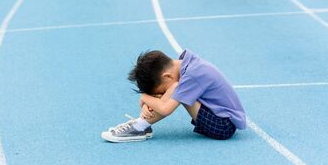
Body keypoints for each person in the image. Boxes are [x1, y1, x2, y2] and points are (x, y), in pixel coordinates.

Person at [101, 49, 246, 142]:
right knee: (175, 88)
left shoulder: (191, 75)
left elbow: (165, 109)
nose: (161, 94)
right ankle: (141, 124)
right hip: (218, 117)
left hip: (224, 126)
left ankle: (140, 126)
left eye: (160, 91)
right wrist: (149, 102)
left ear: (167, 75)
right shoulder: (186, 65)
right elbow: (164, 99)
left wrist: (144, 97)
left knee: (176, 88)